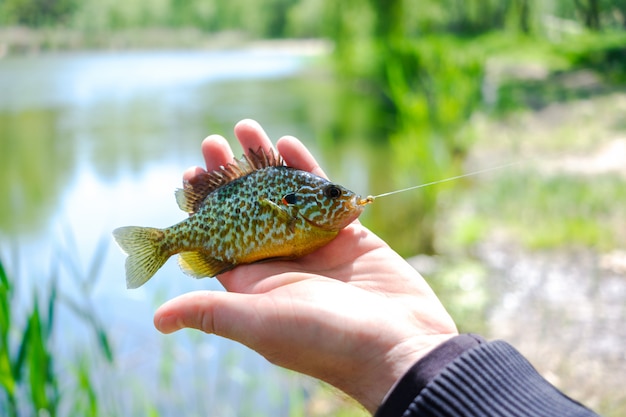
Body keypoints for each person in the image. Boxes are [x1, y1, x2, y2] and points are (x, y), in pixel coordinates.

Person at [153, 119, 600, 416]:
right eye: (331, 196)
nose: (344, 201)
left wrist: (405, 359)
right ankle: (157, 243)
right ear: (296, 205)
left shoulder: (316, 226)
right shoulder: (291, 213)